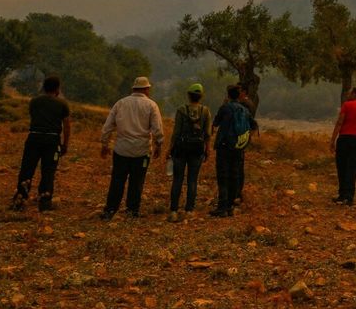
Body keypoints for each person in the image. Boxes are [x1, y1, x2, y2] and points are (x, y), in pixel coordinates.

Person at [99, 76, 164, 220]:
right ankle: (132, 211)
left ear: (134, 88)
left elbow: (107, 126)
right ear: (146, 89)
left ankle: (110, 210)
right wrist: (158, 144)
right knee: (137, 182)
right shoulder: (151, 105)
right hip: (141, 151)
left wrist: (105, 144)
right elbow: (157, 129)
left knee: (117, 181)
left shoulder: (120, 103)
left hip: (121, 149)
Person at [12, 74, 71, 212]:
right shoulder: (62, 104)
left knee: (27, 168)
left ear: (44, 88)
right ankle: (44, 201)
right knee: (48, 171)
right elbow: (67, 125)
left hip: (34, 137)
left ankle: (21, 197)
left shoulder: (34, 101)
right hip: (52, 140)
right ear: (57, 89)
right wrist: (65, 144)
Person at [167, 82, 211, 221]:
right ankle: (189, 210)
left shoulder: (181, 109)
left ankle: (174, 210)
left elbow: (176, 132)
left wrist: (169, 149)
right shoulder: (205, 111)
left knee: (177, 179)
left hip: (180, 148)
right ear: (201, 96)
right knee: (192, 180)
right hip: (197, 149)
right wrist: (207, 149)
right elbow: (207, 134)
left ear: (188, 95)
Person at [210, 85, 253, 217]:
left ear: (228, 95)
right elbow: (252, 125)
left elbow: (216, 123)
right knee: (235, 175)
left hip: (224, 146)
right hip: (238, 147)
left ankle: (222, 207)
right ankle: (230, 207)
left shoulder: (225, 108)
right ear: (239, 95)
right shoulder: (245, 110)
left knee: (223, 176)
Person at [329, 86, 356, 205]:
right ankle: (349, 197)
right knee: (352, 169)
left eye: (349, 93)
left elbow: (339, 122)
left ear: (354, 94)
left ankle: (342, 194)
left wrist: (332, 140)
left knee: (341, 167)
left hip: (344, 139)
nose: (348, 95)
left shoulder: (346, 105)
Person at [235, 86, 261, 204]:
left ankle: (236, 194)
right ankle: (237, 193)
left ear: (244, 92)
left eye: (239, 91)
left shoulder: (243, 105)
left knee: (237, 168)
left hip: (238, 139)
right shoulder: (249, 103)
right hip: (243, 138)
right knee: (239, 166)